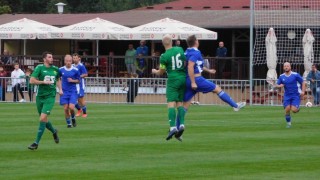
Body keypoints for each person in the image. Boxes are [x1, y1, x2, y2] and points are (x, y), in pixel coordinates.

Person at [177, 35, 245, 140]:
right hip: (197, 80)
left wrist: (209, 70)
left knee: (185, 105)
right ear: (196, 42)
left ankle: (177, 130)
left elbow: (196, 65)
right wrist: (194, 82)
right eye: (198, 40)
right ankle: (235, 105)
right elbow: (190, 66)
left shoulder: (186, 52)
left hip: (187, 80)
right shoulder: (196, 52)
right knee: (217, 88)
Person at [152, 34, 187, 141]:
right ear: (172, 42)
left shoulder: (164, 56)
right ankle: (181, 125)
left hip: (173, 79)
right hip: (183, 78)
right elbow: (185, 61)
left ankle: (172, 127)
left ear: (163, 44)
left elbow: (161, 72)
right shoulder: (180, 49)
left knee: (171, 103)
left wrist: (155, 71)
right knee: (180, 102)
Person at [28, 51, 61, 150]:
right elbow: (31, 80)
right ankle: (54, 131)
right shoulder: (39, 68)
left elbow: (58, 79)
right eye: (50, 57)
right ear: (44, 59)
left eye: (52, 57)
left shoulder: (56, 69)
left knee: (42, 118)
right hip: (40, 97)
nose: (52, 59)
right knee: (44, 119)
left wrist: (61, 89)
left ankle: (36, 143)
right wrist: (43, 82)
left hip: (50, 97)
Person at [274, 62, 306, 128]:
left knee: (294, 110)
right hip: (287, 95)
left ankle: (297, 109)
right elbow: (277, 85)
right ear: (283, 68)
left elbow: (303, 82)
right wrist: (279, 86)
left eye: (287, 66)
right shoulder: (281, 76)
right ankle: (288, 123)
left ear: (290, 67)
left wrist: (303, 91)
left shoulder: (295, 75)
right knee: (287, 109)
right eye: (285, 66)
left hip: (295, 95)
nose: (286, 67)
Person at [59, 55, 80, 128]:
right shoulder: (61, 70)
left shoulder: (75, 70)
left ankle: (73, 118)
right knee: (65, 108)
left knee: (71, 107)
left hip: (72, 91)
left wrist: (72, 80)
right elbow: (58, 79)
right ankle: (69, 124)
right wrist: (60, 89)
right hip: (64, 92)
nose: (68, 62)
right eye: (67, 61)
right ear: (64, 61)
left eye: (70, 61)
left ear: (72, 61)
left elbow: (78, 81)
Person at [73, 53, 88, 118]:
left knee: (80, 99)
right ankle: (79, 110)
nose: (74, 59)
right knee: (74, 99)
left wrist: (79, 76)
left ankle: (84, 113)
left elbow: (86, 74)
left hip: (80, 85)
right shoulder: (72, 66)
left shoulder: (81, 66)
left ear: (79, 58)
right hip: (74, 85)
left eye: (76, 58)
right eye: (73, 58)